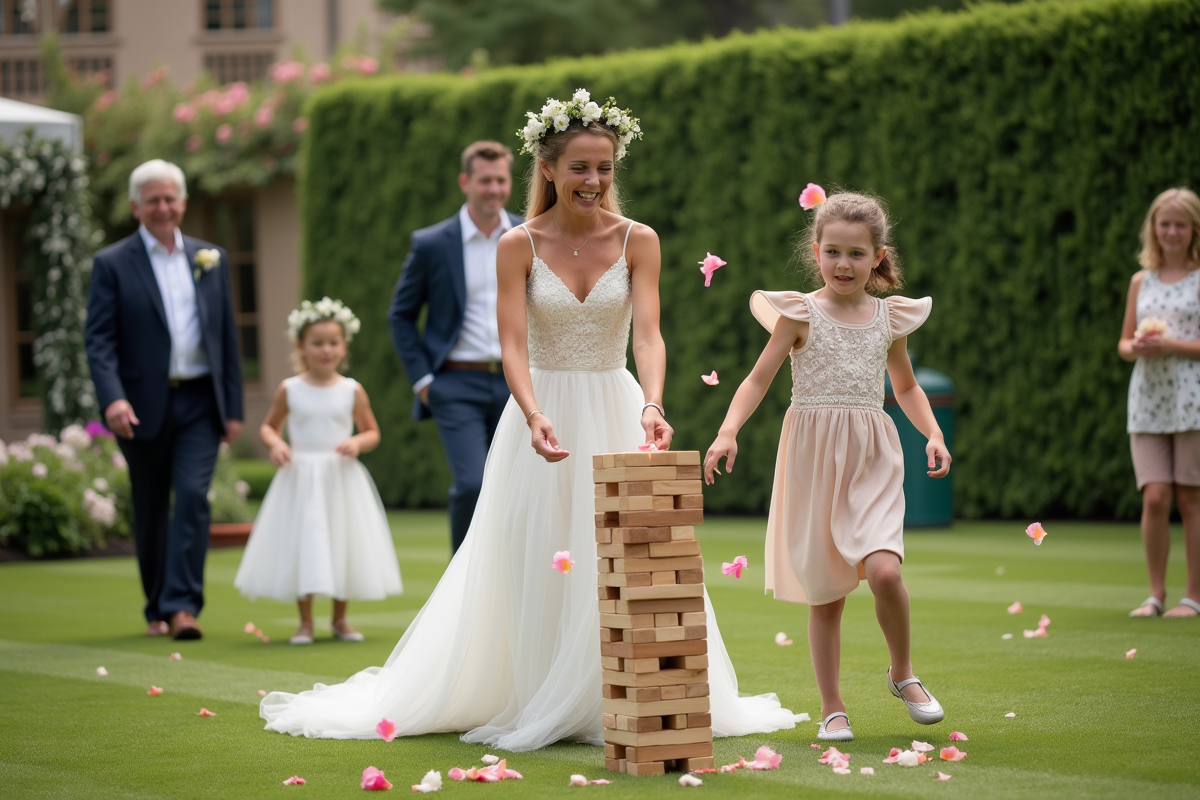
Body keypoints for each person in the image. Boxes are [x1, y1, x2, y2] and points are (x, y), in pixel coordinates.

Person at [261, 90, 802, 749]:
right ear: (548, 168)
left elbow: (650, 338)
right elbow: (512, 345)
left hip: (615, 404)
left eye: (604, 167)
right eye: (579, 167)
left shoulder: (641, 240)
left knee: (629, 551)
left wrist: (653, 404)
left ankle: (623, 689)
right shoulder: (518, 244)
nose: (594, 181)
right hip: (539, 411)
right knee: (537, 544)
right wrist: (533, 412)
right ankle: (534, 688)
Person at [703, 188, 952, 742]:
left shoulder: (890, 319)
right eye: (833, 252)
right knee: (828, 591)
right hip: (813, 457)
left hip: (872, 454)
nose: (844, 264)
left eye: (857, 254)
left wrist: (932, 432)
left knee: (886, 570)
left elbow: (905, 386)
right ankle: (833, 707)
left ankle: (903, 672)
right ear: (816, 252)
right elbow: (757, 379)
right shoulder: (798, 314)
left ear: (878, 257)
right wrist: (727, 431)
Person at [85, 159, 244, 641]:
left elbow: (226, 337)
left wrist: (232, 407)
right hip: (138, 405)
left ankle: (182, 607)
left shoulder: (210, 257)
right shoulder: (111, 264)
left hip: (200, 400)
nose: (163, 207)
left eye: (170, 198)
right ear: (136, 206)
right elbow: (99, 341)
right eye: (152, 200)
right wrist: (112, 399)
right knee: (150, 506)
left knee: (194, 497)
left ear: (184, 203)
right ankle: (157, 604)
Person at [233, 298, 403, 643]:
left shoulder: (351, 389)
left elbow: (372, 431)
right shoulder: (290, 389)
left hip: (340, 477)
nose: (326, 350)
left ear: (343, 347)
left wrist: (358, 442)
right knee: (305, 542)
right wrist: (277, 444)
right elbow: (269, 426)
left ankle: (340, 619)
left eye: (333, 343)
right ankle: (305, 621)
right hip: (301, 477)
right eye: (317, 343)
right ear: (302, 347)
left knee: (343, 540)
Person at [388, 141, 524, 554]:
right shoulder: (431, 244)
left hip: (518, 384)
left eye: (501, 180)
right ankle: (461, 586)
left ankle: (516, 580)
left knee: (521, 489)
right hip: (455, 384)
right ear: (466, 182)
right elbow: (401, 315)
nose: (494, 189)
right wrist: (425, 381)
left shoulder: (527, 235)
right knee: (472, 484)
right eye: (485, 181)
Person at [1119, 188, 1200, 619]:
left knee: (1190, 498)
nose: (1171, 232)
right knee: (1154, 496)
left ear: (1193, 231)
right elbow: (1123, 343)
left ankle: (1193, 596)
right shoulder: (1141, 280)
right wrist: (1138, 346)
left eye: (1180, 225)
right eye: (1164, 224)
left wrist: (1171, 344)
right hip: (1148, 398)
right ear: (1154, 228)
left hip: (1193, 397)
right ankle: (1155, 594)